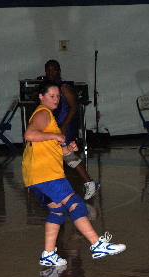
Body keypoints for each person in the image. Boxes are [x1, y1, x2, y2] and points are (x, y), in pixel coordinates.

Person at [23, 81, 126, 266]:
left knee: (58, 210)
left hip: (35, 174)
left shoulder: (46, 115)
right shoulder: (43, 113)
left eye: (58, 96)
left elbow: (47, 146)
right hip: (46, 173)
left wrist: (66, 149)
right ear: (41, 97)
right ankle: (97, 244)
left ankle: (48, 254)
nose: (56, 99)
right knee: (76, 203)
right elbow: (30, 134)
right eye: (51, 96)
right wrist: (55, 136)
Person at [44, 60, 99, 200]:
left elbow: (74, 107)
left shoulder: (64, 88)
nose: (51, 72)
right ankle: (59, 187)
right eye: (48, 70)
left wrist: (64, 126)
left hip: (66, 126)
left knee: (68, 155)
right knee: (57, 156)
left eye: (53, 69)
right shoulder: (49, 88)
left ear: (58, 71)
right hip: (56, 126)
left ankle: (89, 183)